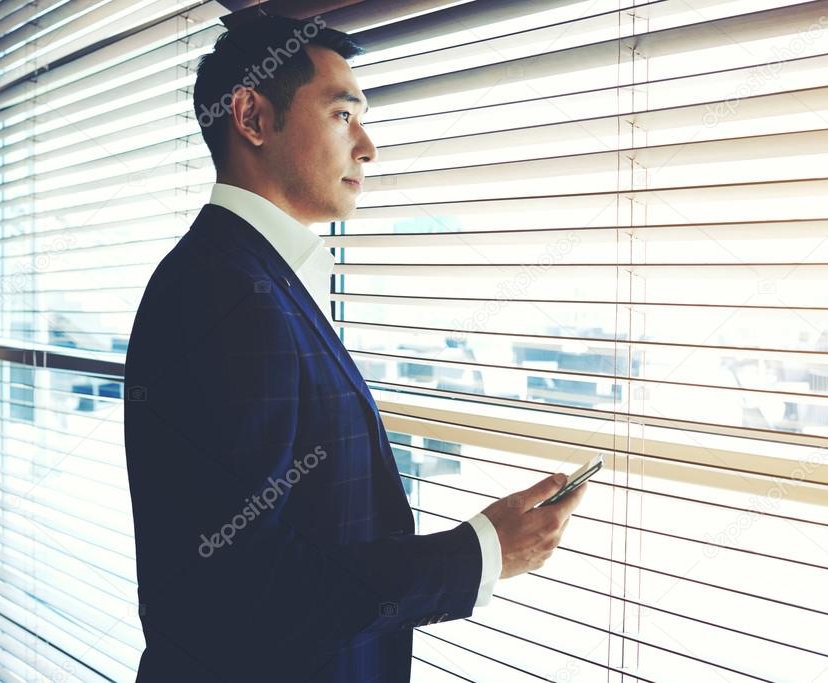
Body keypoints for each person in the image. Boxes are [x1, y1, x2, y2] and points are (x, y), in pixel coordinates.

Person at [123, 13, 588, 682]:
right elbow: (242, 589)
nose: (367, 147)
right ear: (252, 117)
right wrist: (481, 552)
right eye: (344, 115)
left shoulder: (250, 276)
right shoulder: (223, 293)